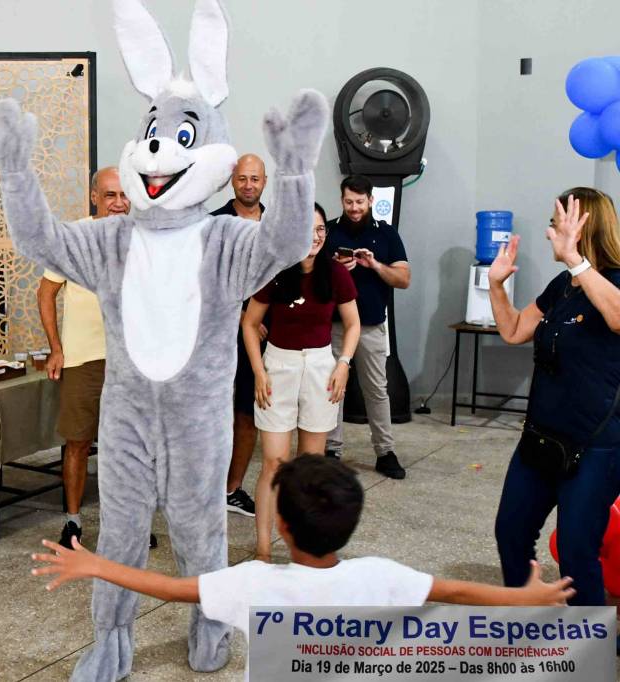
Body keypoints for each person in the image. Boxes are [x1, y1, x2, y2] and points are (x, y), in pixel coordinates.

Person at [31, 456, 574, 680]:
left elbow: (172, 589)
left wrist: (97, 564)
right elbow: (455, 592)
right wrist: (524, 598)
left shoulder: (254, 583)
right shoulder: (379, 576)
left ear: (283, 528)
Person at [489, 188, 620, 609]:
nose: (550, 231)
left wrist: (576, 261)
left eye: (557, 221)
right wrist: (496, 286)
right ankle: (526, 618)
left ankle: (588, 643)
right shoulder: (562, 286)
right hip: (542, 435)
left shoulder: (613, 281)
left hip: (594, 445)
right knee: (511, 532)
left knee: (577, 552)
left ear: (585, 226)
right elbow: (513, 330)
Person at [242, 203, 360, 560]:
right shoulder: (275, 271)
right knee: (274, 462)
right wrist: (259, 372)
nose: (315, 236)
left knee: (311, 465)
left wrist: (343, 363)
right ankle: (263, 550)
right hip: (278, 365)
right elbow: (250, 323)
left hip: (321, 367)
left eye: (320, 229)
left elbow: (353, 324)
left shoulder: (335, 273)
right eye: (307, 229)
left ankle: (305, 549)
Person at [39, 167, 142, 548]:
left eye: (124, 195)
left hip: (130, 361)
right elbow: (45, 293)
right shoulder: (72, 238)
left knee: (130, 447)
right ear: (94, 197)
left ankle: (129, 523)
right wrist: (56, 348)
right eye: (110, 195)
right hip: (84, 359)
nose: (118, 203)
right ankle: (73, 522)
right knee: (78, 442)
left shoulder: (144, 239)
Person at [325, 175, 411, 479]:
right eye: (349, 201)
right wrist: (334, 268)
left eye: (360, 202)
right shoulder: (329, 231)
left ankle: (385, 451)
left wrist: (374, 265)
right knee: (332, 388)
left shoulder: (386, 234)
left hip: (371, 326)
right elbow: (309, 272)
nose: (354, 208)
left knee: (377, 389)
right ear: (342, 200)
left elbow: (403, 279)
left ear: (371, 201)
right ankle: (331, 450)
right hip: (334, 325)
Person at [211, 153, 268, 516]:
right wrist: (243, 316)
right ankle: (204, 489)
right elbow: (205, 281)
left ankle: (232, 489)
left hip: (265, 335)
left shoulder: (275, 224)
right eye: (243, 178)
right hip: (219, 333)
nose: (249, 185)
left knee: (248, 412)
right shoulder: (214, 224)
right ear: (233, 180)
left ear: (265, 182)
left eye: (255, 179)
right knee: (212, 414)